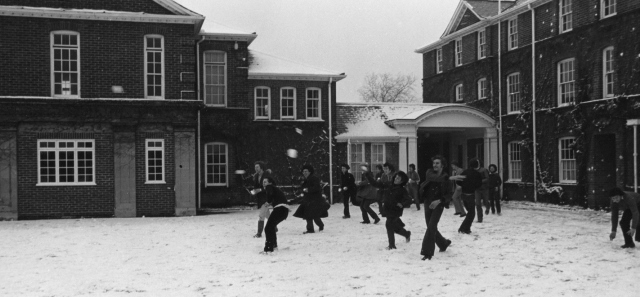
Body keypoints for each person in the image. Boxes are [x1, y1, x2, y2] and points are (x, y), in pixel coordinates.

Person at [419, 155, 453, 260]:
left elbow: (448, 195)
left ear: (442, 165)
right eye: (434, 163)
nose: (435, 165)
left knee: (431, 226)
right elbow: (434, 178)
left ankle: (427, 252)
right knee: (430, 226)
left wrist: (439, 201)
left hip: (438, 204)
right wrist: (448, 178)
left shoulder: (447, 179)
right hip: (427, 203)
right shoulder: (430, 173)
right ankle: (443, 243)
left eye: (437, 163)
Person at [367, 171, 412, 249]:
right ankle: (406, 233)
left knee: (389, 225)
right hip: (387, 209)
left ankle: (392, 245)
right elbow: (376, 184)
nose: (396, 178)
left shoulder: (402, 190)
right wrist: (368, 175)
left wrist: (402, 204)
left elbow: (409, 200)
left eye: (398, 178)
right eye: (396, 177)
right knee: (393, 227)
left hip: (395, 210)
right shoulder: (388, 185)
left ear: (402, 181)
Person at [293, 165, 328, 234]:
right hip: (307, 200)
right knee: (308, 215)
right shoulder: (306, 179)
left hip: (314, 200)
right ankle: (310, 229)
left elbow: (317, 188)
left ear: (310, 172)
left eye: (306, 171)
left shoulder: (314, 178)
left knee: (314, 216)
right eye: (303, 171)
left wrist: (308, 190)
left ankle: (320, 225)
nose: (304, 172)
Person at [262, 177, 289, 253]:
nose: (264, 183)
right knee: (271, 227)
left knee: (268, 228)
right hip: (284, 210)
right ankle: (273, 246)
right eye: (263, 182)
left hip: (280, 209)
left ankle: (269, 248)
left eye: (265, 182)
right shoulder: (274, 188)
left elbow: (270, 195)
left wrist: (268, 201)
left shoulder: (269, 187)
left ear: (270, 183)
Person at [457, 158, 483, 234]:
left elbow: (458, 181)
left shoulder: (464, 172)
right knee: (471, 213)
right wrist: (473, 186)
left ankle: (465, 228)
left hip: (463, 194)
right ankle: (464, 228)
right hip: (470, 194)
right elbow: (479, 184)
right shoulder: (477, 174)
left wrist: (464, 185)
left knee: (470, 212)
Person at [252, 161, 271, 238]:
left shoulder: (266, 175)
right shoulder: (256, 176)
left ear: (261, 167)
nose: (255, 169)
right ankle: (274, 227)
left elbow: (269, 186)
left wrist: (260, 190)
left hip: (266, 198)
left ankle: (259, 233)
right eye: (255, 167)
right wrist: (254, 191)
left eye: (257, 167)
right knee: (267, 214)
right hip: (260, 198)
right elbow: (256, 186)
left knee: (261, 215)